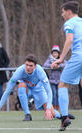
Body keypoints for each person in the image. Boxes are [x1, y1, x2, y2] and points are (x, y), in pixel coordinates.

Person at [0, 54, 62, 121]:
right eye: (27, 65)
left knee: (52, 113)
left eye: (31, 66)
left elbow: (49, 91)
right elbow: (7, 91)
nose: (28, 67)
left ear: (35, 66)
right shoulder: (19, 71)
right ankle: (27, 114)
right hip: (27, 90)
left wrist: (48, 109)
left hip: (38, 89)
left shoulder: (40, 71)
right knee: (21, 84)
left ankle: (62, 116)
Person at [51, 1, 82, 131]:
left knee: (62, 84)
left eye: (63, 12)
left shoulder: (69, 23)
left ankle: (64, 118)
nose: (62, 14)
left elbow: (69, 40)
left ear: (69, 12)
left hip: (78, 56)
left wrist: (61, 58)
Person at [43, 45, 67, 110]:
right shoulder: (50, 59)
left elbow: (66, 64)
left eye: (56, 53)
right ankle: (53, 106)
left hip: (60, 80)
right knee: (53, 94)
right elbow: (45, 65)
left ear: (59, 54)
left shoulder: (61, 59)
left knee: (59, 94)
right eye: (53, 53)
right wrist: (53, 65)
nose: (55, 54)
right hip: (52, 80)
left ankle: (59, 106)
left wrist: (59, 66)